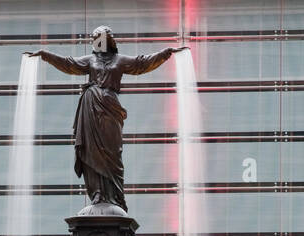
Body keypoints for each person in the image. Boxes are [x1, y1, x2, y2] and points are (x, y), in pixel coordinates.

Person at [25, 28, 186, 211]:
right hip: (91, 107)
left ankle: (115, 196)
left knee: (113, 152)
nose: (96, 42)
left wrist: (165, 54)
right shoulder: (90, 60)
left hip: (110, 109)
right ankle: (98, 193)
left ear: (108, 40)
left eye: (99, 38)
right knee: (92, 150)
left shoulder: (120, 60)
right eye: (94, 39)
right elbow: (69, 64)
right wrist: (46, 54)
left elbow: (142, 64)